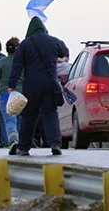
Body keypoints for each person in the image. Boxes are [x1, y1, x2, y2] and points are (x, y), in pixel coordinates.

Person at [8, 18, 69, 156]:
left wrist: (12, 84)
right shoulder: (53, 41)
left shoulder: (25, 44)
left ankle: (24, 147)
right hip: (49, 84)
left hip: (31, 86)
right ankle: (55, 144)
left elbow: (17, 66)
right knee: (50, 113)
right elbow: (64, 51)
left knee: (29, 115)